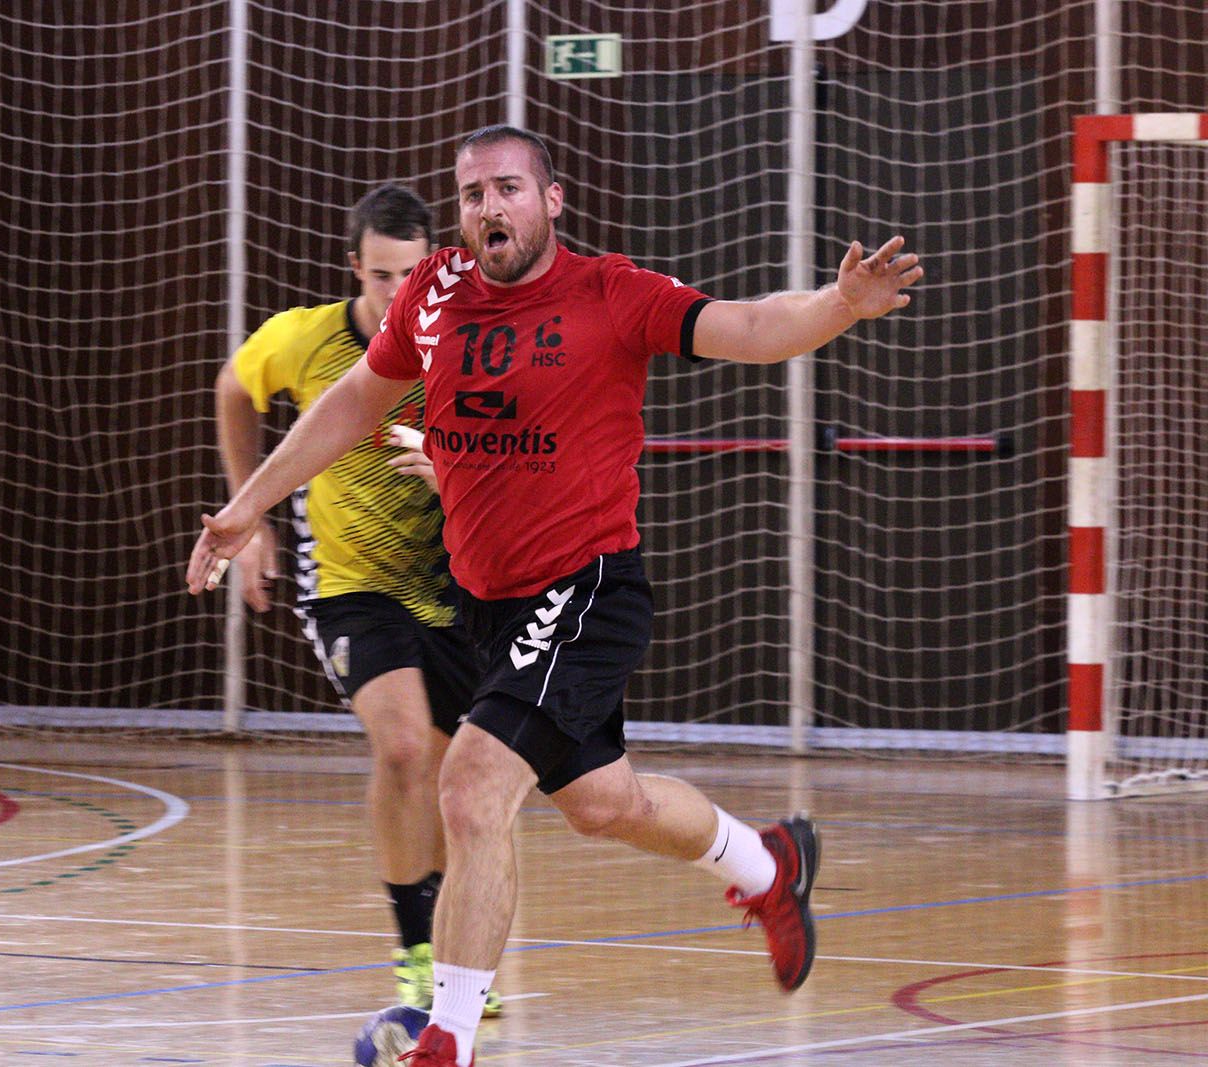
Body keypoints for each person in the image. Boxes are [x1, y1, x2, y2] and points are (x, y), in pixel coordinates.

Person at [189, 126, 923, 1066]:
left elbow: (746, 325)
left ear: (552, 200)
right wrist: (247, 506)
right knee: (604, 803)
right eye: (471, 195)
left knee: (471, 784)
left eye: (507, 188)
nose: (488, 208)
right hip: (490, 604)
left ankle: (445, 1037)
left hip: (585, 589)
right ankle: (766, 861)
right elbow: (353, 403)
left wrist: (836, 306)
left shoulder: (610, 294)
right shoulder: (436, 292)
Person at [211, 183, 500, 1018]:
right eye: (379, 277)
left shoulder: (467, 341)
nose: (395, 292)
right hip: (350, 585)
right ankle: (415, 952)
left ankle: (456, 961)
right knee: (405, 748)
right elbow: (234, 387)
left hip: (453, 584)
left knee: (455, 774)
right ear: (355, 270)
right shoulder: (307, 340)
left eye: (409, 275)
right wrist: (252, 510)